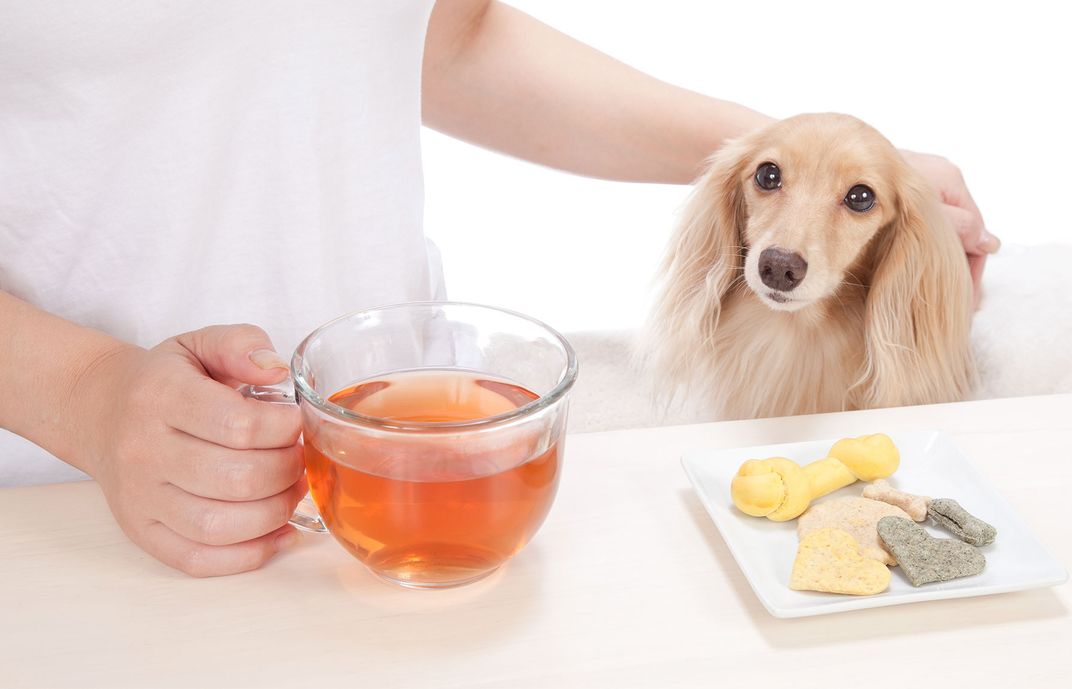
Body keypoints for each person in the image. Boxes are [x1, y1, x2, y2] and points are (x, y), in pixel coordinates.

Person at [0, 0, 999, 576]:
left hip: (410, 477)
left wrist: (806, 170)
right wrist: (82, 394)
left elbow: (444, 37)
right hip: (57, 516)